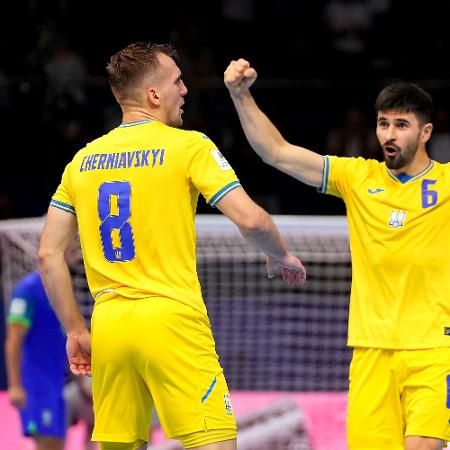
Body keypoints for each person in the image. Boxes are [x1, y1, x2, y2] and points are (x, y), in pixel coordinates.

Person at [38, 42, 306, 450]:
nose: (185, 90)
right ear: (153, 95)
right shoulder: (188, 146)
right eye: (178, 81)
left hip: (108, 324)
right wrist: (279, 253)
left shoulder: (81, 161)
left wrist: (75, 330)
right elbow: (251, 219)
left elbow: (48, 255)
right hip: (171, 319)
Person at [224, 59, 450, 450]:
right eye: (383, 124)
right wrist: (240, 95)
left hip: (435, 349)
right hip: (370, 352)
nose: (389, 134)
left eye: (401, 124)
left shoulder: (447, 183)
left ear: (425, 131)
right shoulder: (358, 177)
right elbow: (276, 152)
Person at [5, 237, 95, 450]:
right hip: (37, 386)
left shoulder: (61, 291)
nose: (76, 255)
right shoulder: (28, 290)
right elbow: (13, 341)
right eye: (71, 250)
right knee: (48, 445)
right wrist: (15, 386)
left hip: (59, 383)